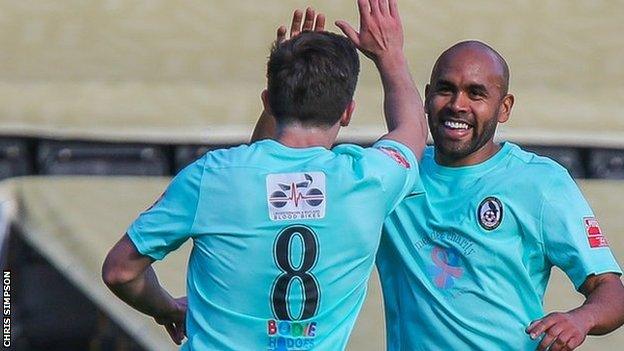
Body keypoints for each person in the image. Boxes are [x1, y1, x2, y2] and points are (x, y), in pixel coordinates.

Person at [102, 1, 427, 350]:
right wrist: (390, 55)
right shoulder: (369, 181)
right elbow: (411, 128)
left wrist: (167, 308)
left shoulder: (212, 178)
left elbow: (120, 271)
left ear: (268, 101)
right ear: (347, 112)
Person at [377, 40, 624, 351]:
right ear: (426, 97)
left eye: (476, 93)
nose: (458, 104)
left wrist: (580, 319)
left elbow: (611, 290)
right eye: (445, 89)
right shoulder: (396, 176)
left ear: (504, 108)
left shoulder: (540, 182)